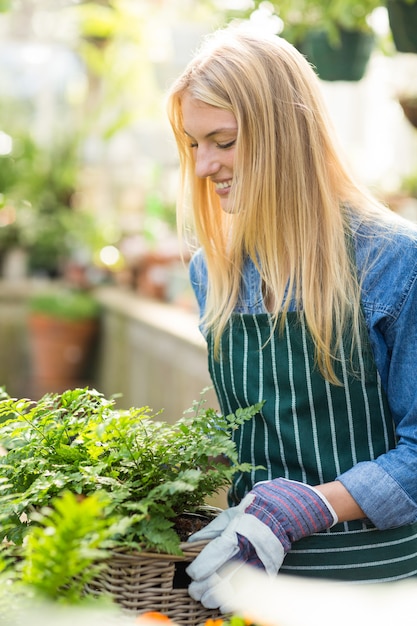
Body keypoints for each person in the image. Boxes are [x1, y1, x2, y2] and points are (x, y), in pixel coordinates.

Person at [166, 22, 417, 610]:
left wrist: (315, 504)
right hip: (254, 585)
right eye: (193, 143)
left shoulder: (393, 262)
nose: (204, 166)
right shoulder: (216, 273)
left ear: (286, 134)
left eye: (223, 142)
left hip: (375, 590)